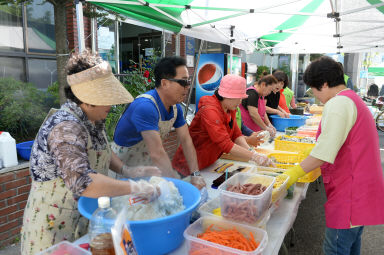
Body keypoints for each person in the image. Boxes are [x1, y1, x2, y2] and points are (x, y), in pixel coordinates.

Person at [20, 50, 162, 255]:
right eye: (106, 98)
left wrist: (128, 170)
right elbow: (83, 182)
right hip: (52, 228)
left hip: (84, 220)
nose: (112, 105)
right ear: (87, 98)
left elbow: (101, 150)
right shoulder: (65, 128)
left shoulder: (92, 118)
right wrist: (134, 187)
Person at [283, 56, 384, 255]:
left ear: (326, 83)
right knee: (351, 245)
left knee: (336, 248)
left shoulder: (338, 104)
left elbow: (324, 152)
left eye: (315, 90)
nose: (316, 97)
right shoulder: (351, 98)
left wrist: (292, 173)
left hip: (351, 191)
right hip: (361, 188)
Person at [112, 56, 205, 189]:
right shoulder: (145, 107)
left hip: (148, 164)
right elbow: (157, 153)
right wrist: (175, 184)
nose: (188, 87)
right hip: (126, 167)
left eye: (189, 81)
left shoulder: (175, 107)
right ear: (165, 83)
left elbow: (186, 140)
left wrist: (195, 174)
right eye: (183, 82)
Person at [172, 74, 273, 175]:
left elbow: (236, 134)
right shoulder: (210, 111)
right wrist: (254, 157)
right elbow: (225, 144)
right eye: (238, 98)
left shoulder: (230, 109)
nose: (240, 102)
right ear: (226, 96)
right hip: (187, 166)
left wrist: (252, 152)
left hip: (207, 163)